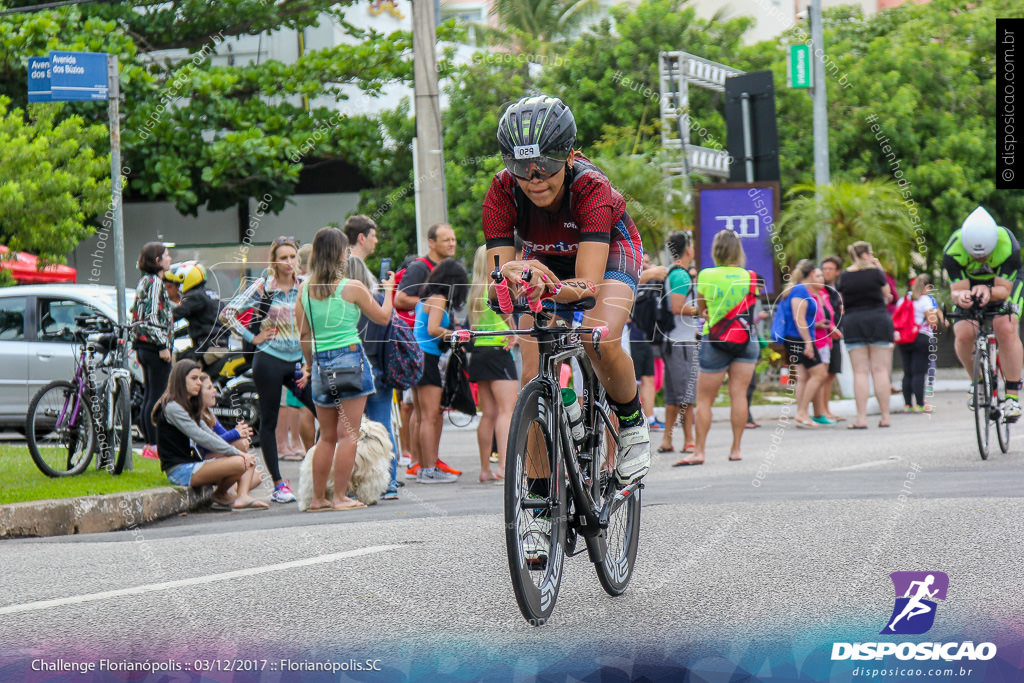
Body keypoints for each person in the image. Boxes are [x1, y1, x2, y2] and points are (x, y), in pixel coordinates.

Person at [483, 95, 650, 491]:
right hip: (544, 260)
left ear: (570, 155)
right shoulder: (501, 193)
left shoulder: (591, 187)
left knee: (600, 338)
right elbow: (499, 277)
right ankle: (540, 498)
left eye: (546, 164)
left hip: (608, 253)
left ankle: (631, 424)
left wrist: (551, 288)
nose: (535, 177)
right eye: (521, 167)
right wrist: (506, 277)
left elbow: (588, 285)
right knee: (531, 374)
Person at [295, 227, 395, 511]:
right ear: (341, 254)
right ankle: (340, 496)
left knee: (325, 436)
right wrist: (389, 292)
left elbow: (304, 335)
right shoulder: (351, 287)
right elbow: (384, 317)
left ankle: (317, 499)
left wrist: (311, 365)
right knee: (348, 434)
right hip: (350, 359)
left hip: (320, 363)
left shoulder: (304, 290)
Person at [221, 236, 316, 503]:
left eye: (292, 257)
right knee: (270, 421)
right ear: (274, 261)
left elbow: (314, 322)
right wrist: (253, 339)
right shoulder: (264, 286)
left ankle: (321, 471)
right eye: (283, 257)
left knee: (322, 409)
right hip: (269, 360)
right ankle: (278, 485)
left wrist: (310, 362)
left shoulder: (305, 285)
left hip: (298, 362)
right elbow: (228, 313)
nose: (289, 262)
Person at [675, 230, 759, 466]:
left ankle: (699, 451)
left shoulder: (706, 274)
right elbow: (751, 309)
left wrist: (709, 311)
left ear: (716, 250)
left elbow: (703, 309)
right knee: (739, 395)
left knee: (704, 400)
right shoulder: (751, 276)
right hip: (746, 340)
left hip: (716, 340)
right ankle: (736, 449)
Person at [394, 224, 461, 479]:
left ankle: (425, 463)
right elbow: (400, 299)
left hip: (422, 348)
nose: (452, 243)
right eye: (446, 240)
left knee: (425, 413)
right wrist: (432, 306)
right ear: (431, 242)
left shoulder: (438, 287)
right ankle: (424, 466)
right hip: (423, 350)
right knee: (427, 414)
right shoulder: (421, 269)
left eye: (453, 239)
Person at [153, 360, 267, 510]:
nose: (198, 383)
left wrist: (238, 451)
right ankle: (227, 494)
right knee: (241, 463)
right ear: (180, 380)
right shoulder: (172, 407)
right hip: (181, 470)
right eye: (194, 379)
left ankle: (225, 494)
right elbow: (201, 438)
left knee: (249, 466)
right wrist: (238, 453)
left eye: (200, 379)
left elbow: (209, 434)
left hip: (194, 464)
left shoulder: (189, 405)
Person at [943, 207, 1024, 419]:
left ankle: (1012, 397)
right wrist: (962, 297)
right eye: (975, 256)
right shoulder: (953, 250)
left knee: (1005, 326)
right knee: (963, 332)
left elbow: (1004, 290)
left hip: (1004, 284)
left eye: (985, 255)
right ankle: (978, 382)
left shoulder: (1008, 246)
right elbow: (956, 290)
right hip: (970, 285)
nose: (980, 259)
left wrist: (988, 291)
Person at [347, 242, 403, 501]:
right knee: (383, 428)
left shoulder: (342, 303)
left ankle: (352, 482)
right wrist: (389, 292)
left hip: (351, 370)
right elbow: (389, 322)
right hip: (380, 369)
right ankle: (389, 482)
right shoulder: (379, 300)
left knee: (351, 429)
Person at [412, 259, 469, 483]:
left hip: (418, 358)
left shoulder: (426, 298)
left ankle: (422, 466)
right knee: (430, 417)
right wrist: (456, 335)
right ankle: (429, 469)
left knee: (421, 416)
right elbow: (433, 329)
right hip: (427, 358)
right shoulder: (439, 299)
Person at [467, 245, 518, 483]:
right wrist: (514, 332)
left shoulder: (474, 290)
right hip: (499, 350)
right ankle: (504, 468)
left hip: (479, 351)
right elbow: (508, 319)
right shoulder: (495, 288)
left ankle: (485, 468)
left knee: (487, 414)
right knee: (507, 411)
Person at [837, 241, 894, 429]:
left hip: (854, 322)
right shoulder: (876, 272)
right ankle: (885, 416)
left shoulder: (844, 276)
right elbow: (887, 293)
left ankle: (861, 418)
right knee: (880, 371)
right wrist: (878, 267)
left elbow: (841, 301)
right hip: (878, 320)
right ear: (864, 255)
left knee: (860, 372)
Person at [131, 242, 174, 460]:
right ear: (157, 260)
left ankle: (150, 444)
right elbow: (152, 317)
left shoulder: (144, 281)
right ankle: (155, 445)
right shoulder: (156, 282)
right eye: (166, 256)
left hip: (142, 345)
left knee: (149, 395)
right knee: (157, 397)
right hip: (154, 347)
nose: (170, 259)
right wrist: (163, 345)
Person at [658, 231, 699, 455]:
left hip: (673, 340)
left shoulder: (674, 272)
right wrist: (700, 310)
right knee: (687, 393)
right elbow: (677, 307)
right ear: (688, 249)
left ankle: (667, 439)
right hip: (681, 342)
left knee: (674, 393)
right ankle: (689, 439)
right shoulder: (681, 275)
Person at [195, 373, 264, 503]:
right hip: (204, 460)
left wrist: (240, 431)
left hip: (216, 457)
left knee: (257, 476)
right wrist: (236, 433)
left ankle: (230, 492)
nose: (215, 390)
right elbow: (207, 443)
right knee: (242, 447)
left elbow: (223, 435)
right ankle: (238, 495)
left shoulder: (209, 413)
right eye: (209, 388)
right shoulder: (196, 415)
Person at [779, 260, 829, 429]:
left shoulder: (795, 289)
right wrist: (808, 343)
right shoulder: (800, 290)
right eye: (816, 274)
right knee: (820, 373)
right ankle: (802, 412)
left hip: (794, 337)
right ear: (809, 274)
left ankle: (801, 414)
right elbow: (799, 318)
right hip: (799, 338)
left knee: (803, 377)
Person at [277, 243, 315, 461]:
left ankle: (304, 449)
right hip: (300, 353)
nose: (290, 262)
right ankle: (301, 448)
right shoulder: (308, 286)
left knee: (301, 406)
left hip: (296, 353)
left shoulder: (299, 286)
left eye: (293, 257)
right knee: (303, 406)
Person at [166, 261, 228, 362]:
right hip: (220, 345)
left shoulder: (194, 296)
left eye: (178, 283)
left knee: (174, 362)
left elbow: (175, 314)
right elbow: (200, 325)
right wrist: (174, 334)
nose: (177, 288)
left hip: (206, 348)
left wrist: (158, 320)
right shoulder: (210, 294)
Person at [898, 275, 939, 413]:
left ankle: (908, 405)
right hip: (921, 338)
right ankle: (920, 404)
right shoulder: (925, 300)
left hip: (904, 339)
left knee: (907, 372)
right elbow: (932, 320)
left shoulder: (902, 300)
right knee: (919, 373)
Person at [817, 255, 845, 422]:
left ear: (837, 272)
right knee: (823, 373)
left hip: (836, 335)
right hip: (824, 336)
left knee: (831, 373)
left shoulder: (838, 289)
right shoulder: (821, 290)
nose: (826, 272)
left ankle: (826, 408)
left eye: (830, 269)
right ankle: (821, 410)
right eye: (824, 268)